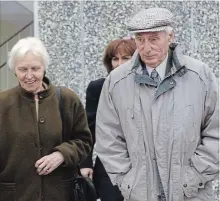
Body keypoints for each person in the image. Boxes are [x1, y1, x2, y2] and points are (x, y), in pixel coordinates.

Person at [95, 8, 219, 201]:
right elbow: (108, 139)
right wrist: (129, 181)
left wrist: (194, 177)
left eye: (154, 39)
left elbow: (216, 132)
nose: (146, 48)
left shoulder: (200, 76)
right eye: (140, 40)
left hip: (192, 194)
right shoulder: (116, 82)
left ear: (170, 37)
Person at [0, 37, 92, 201]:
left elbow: (84, 140)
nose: (29, 75)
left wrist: (62, 154)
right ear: (15, 70)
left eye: (35, 68)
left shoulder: (67, 99)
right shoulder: (3, 103)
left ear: (44, 68)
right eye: (23, 69)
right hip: (15, 195)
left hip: (61, 194)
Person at [80, 38, 136, 201]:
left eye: (126, 58)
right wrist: (85, 164)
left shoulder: (147, 88)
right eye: (115, 58)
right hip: (108, 168)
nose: (119, 63)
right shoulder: (98, 88)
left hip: (142, 169)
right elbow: (88, 129)